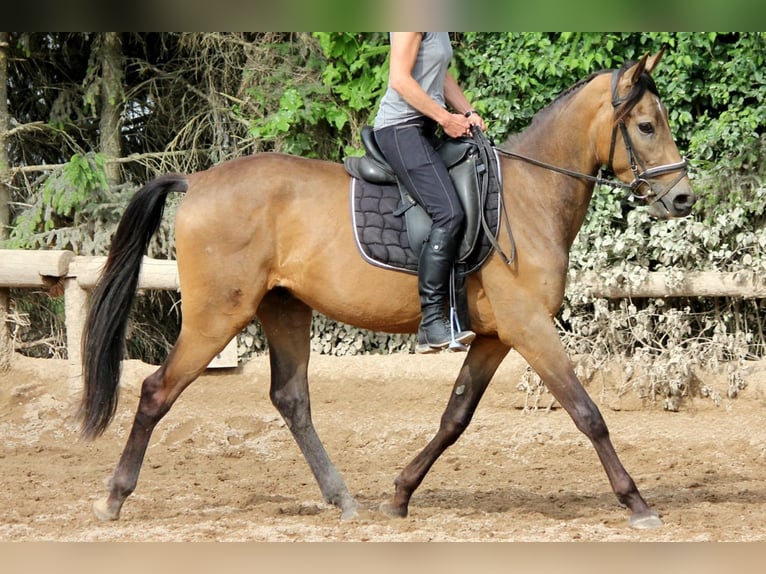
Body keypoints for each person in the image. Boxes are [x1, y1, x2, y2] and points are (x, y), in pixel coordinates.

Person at [373, 32, 487, 354]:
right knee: (449, 213)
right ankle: (432, 321)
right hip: (400, 128)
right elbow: (399, 80)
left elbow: (440, 74)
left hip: (423, 128)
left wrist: (467, 112)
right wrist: (445, 119)